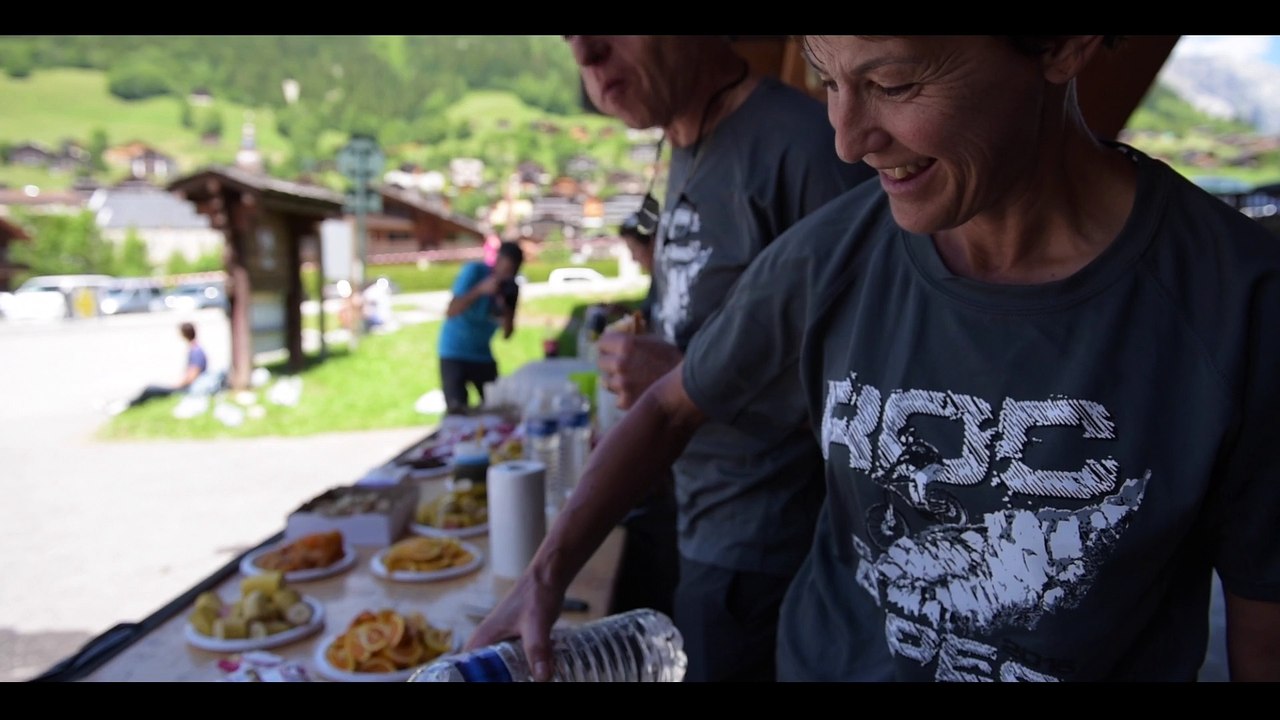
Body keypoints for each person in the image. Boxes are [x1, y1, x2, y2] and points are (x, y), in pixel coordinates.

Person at [470, 35, 1280, 682]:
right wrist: (543, 577)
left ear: (1063, 45)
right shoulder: (830, 253)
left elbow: (1263, 632)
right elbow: (671, 405)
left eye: (893, 84)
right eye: (828, 80)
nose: (849, 140)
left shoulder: (1239, 304)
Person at [473, 35, 874, 683]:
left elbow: (878, 408)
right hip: (693, 516)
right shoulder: (687, 144)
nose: (586, 55)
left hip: (769, 556)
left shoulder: (807, 149)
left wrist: (682, 376)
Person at [437, 240, 523, 415]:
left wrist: (507, 307)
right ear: (497, 261)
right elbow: (451, 310)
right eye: (505, 269)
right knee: (457, 411)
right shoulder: (475, 272)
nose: (506, 276)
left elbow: (507, 334)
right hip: (454, 352)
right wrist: (480, 290)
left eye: (511, 272)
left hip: (482, 355)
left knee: (497, 406)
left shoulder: (510, 289)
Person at [109, 321, 218, 413]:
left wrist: (177, 386)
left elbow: (192, 376)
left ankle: (127, 406)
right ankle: (128, 404)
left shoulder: (196, 351)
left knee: (150, 389)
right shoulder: (196, 348)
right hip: (188, 387)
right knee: (151, 389)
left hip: (188, 389)